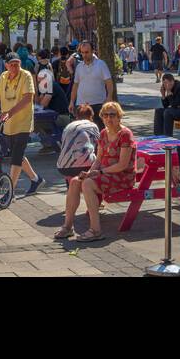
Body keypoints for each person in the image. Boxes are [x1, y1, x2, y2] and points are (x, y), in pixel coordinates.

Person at [54, 101, 135, 243]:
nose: (109, 119)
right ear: (101, 117)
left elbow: (122, 165)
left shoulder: (125, 134)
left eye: (112, 115)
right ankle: (67, 226)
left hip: (122, 177)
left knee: (88, 184)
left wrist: (99, 173)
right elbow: (98, 159)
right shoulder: (103, 133)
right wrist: (90, 172)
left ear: (119, 116)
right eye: (105, 115)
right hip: (105, 174)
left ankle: (96, 230)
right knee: (74, 182)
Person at [0, 54, 44, 198]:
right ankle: (36, 179)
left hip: (23, 122)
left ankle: (10, 191)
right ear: (6, 65)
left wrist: (10, 112)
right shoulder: (3, 77)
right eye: (12, 64)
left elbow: (28, 98)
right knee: (17, 154)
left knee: (16, 156)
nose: (15, 67)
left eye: (17, 64)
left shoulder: (26, 75)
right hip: (8, 123)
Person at [69, 41, 113, 128]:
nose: (84, 55)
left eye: (87, 52)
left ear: (93, 51)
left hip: (98, 104)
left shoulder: (101, 64)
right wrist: (71, 101)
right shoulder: (79, 67)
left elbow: (109, 82)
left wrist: (109, 97)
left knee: (99, 131)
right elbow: (75, 85)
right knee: (82, 131)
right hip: (81, 106)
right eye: (82, 52)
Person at [56, 105, 101, 180]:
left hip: (62, 166)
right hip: (84, 166)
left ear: (76, 116)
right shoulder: (92, 125)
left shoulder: (68, 126)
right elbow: (100, 144)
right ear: (91, 116)